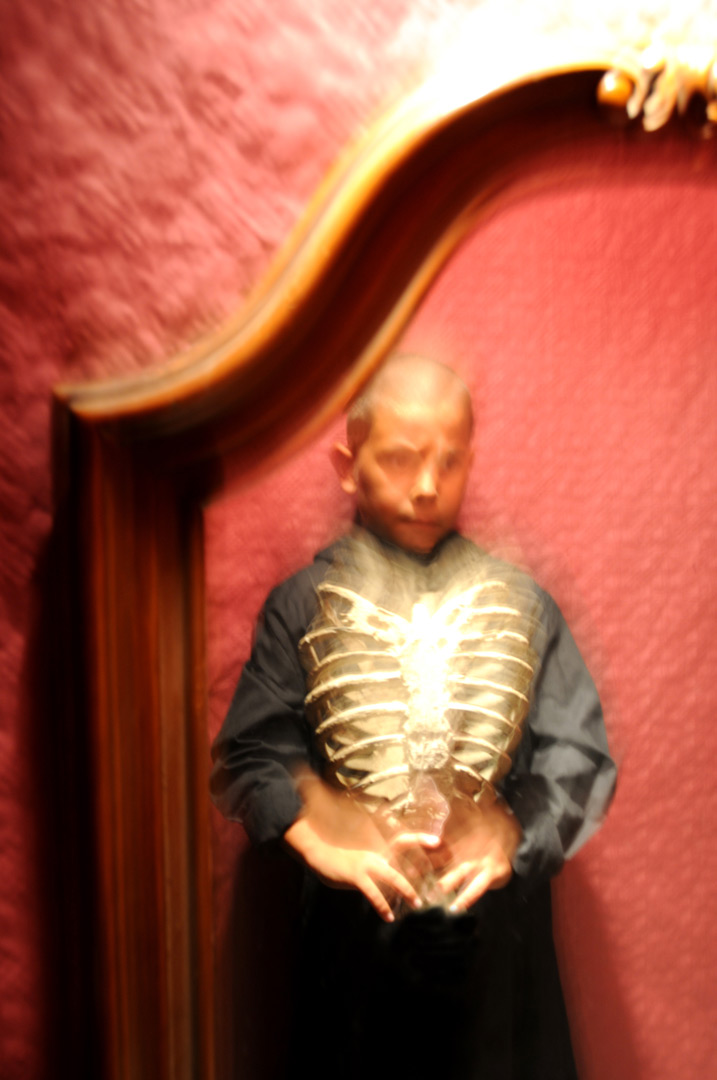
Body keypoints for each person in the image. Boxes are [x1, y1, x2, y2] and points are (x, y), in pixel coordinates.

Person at [211, 354, 616, 1079]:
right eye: (400, 459)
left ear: (470, 461)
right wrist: (315, 835)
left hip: (497, 949)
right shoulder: (301, 605)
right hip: (353, 944)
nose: (427, 485)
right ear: (349, 466)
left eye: (449, 461)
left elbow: (577, 753)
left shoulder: (523, 605)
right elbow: (250, 749)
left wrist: (516, 838)